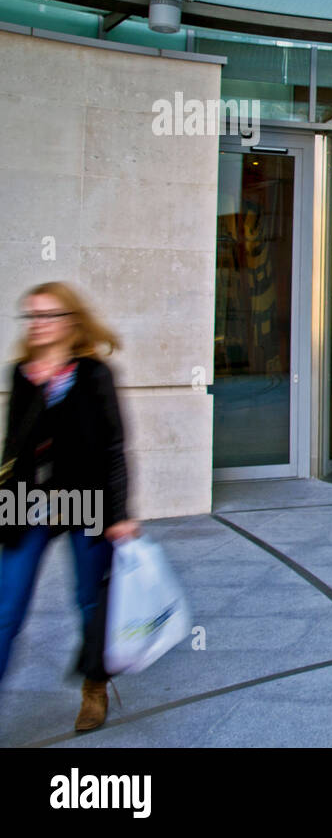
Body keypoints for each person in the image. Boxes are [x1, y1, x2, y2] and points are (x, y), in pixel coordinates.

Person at [0, 282, 139, 732]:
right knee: (7, 608)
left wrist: (118, 514)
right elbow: (14, 448)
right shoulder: (22, 373)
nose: (37, 324)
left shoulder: (96, 374)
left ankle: (94, 688)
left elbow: (113, 448)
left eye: (47, 315)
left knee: (88, 602)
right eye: (32, 316)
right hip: (30, 503)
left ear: (71, 322)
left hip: (87, 501)